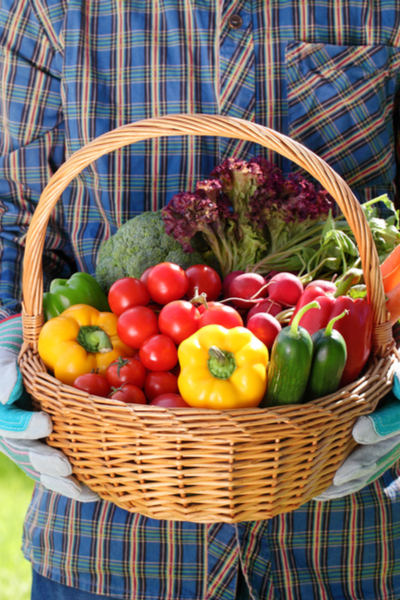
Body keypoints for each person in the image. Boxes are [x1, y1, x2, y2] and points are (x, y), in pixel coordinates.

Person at [1, 1, 400, 599]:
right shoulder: (47, 8)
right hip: (112, 539)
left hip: (345, 539)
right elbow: (13, 218)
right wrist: (3, 343)